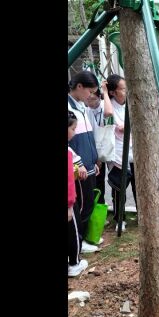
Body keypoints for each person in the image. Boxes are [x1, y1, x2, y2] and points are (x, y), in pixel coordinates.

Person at [68, 71, 101, 253]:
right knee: (81, 206)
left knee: (88, 203)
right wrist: (78, 163)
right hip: (77, 168)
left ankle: (82, 239)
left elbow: (88, 137)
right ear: (79, 86)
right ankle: (77, 242)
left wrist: (93, 160)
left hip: (88, 164)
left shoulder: (82, 107)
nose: (91, 95)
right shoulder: (69, 108)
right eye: (90, 91)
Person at [106, 74, 137, 232]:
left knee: (139, 189)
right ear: (112, 92)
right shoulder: (108, 106)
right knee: (119, 190)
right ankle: (119, 218)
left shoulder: (130, 104)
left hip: (135, 153)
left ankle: (142, 215)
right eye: (123, 89)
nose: (126, 91)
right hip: (118, 154)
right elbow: (114, 126)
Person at [85, 80, 113, 205]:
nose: (89, 103)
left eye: (92, 100)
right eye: (88, 100)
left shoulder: (105, 105)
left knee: (114, 180)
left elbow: (108, 115)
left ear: (99, 97)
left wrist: (105, 92)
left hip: (108, 148)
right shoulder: (86, 110)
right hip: (94, 150)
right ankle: (99, 207)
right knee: (97, 182)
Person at [68, 111, 89, 277]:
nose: (75, 133)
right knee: (74, 230)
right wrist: (69, 205)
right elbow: (68, 181)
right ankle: (75, 263)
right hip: (68, 203)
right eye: (73, 129)